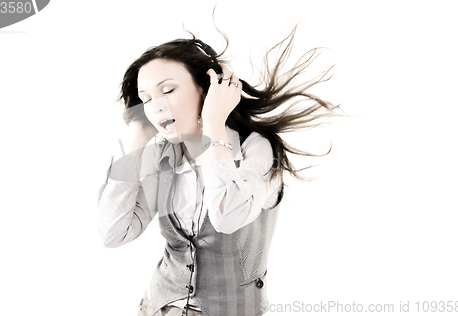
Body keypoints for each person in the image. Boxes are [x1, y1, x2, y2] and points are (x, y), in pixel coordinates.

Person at [97, 27, 338, 316]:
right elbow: (113, 233)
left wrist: (213, 123)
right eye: (146, 98)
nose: (157, 106)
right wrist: (137, 135)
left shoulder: (257, 150)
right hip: (157, 307)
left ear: (206, 89)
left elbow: (227, 216)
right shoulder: (162, 156)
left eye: (168, 90)